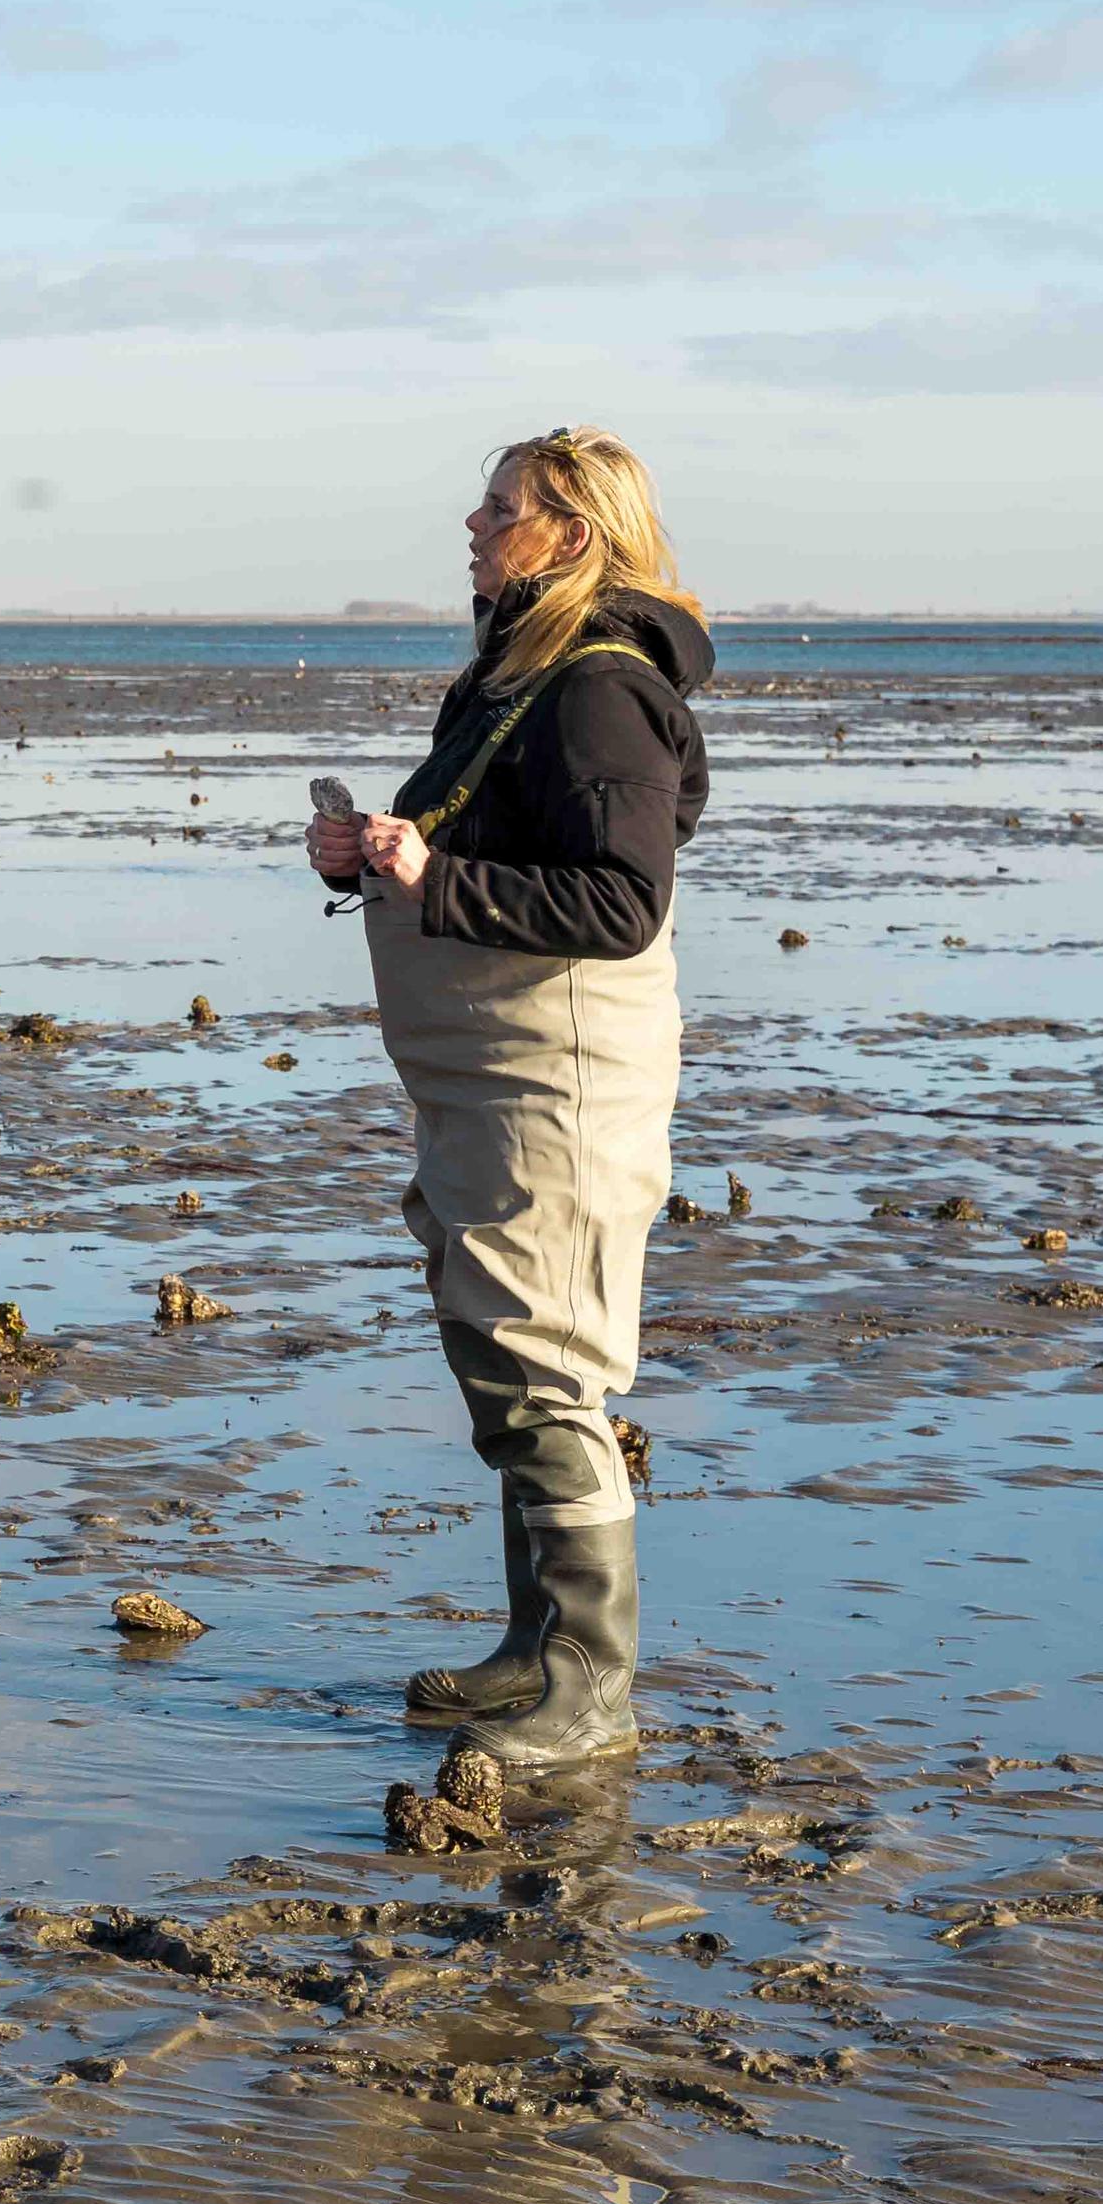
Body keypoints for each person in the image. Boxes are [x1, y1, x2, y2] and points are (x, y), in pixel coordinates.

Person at [307, 425, 711, 1773]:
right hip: (492, 1079)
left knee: (548, 1357)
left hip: (562, 1082)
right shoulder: (515, 675)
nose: (471, 530)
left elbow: (619, 897)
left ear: (572, 538)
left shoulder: (599, 686)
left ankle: (590, 1688)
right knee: (496, 1336)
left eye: (498, 511)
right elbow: (488, 845)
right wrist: (368, 856)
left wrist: (436, 879)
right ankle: (535, 1647)